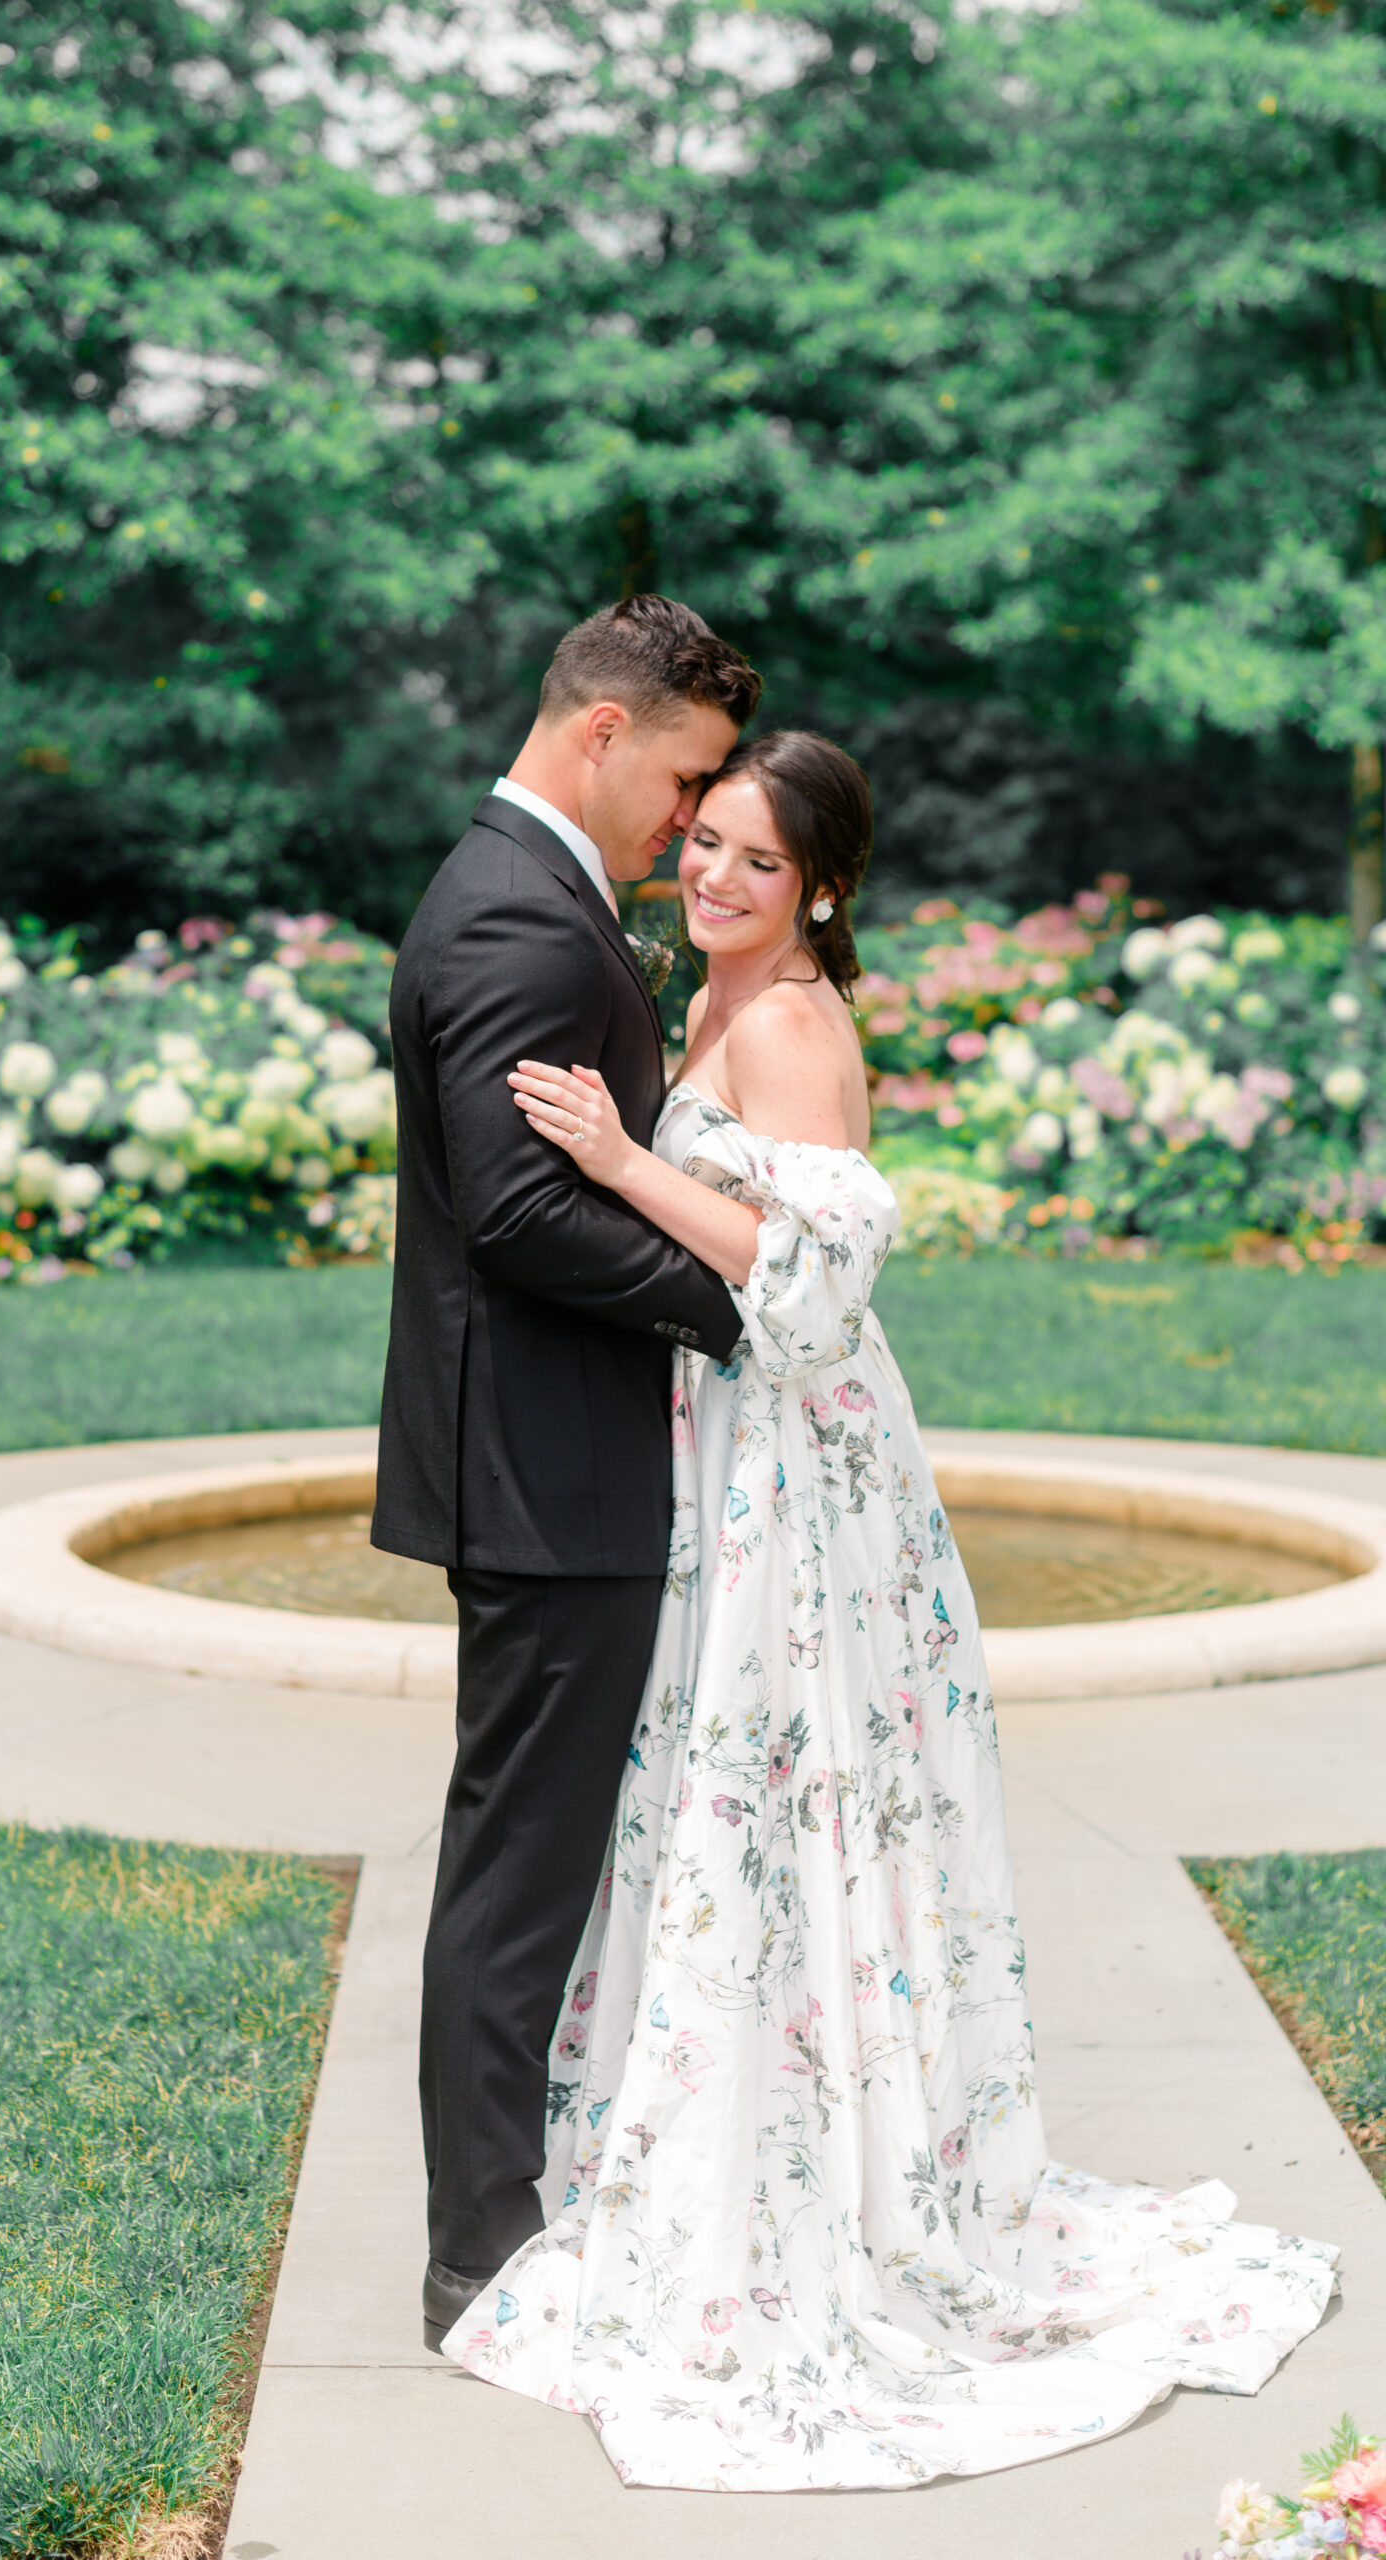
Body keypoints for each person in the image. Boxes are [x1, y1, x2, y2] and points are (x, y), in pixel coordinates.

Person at [440, 729, 1338, 2491]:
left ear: (821, 890)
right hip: (716, 1446)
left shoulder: (782, 1023)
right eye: (704, 846)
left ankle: (829, 2193)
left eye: (757, 866)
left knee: (792, 1807)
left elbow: (826, 1282)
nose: (711, 880)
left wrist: (625, 1165)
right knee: (720, 1807)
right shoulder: (707, 997)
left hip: (801, 1473)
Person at [372, 593, 765, 2353]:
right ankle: (481, 2252)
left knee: (527, 1858)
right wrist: (733, 1296)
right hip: (546, 1470)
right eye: (682, 781)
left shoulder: (522, 892)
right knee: (519, 1870)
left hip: (545, 1456)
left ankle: (512, 2209)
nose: (688, 822)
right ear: (604, 733)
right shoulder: (522, 920)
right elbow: (524, 1213)